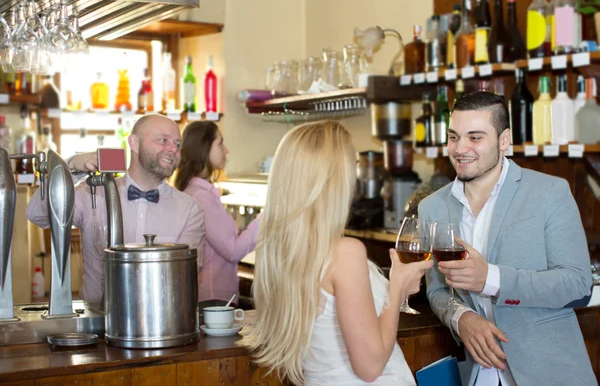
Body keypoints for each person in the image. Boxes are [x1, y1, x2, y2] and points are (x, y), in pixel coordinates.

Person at [419, 92, 596, 386]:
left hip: (550, 374)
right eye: (453, 136)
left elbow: (578, 285)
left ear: (504, 140)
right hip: (478, 375)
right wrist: (461, 319)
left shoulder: (550, 192)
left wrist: (490, 278)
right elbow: (437, 290)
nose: (460, 148)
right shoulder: (432, 207)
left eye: (475, 137)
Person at [239, 120, 432, 385]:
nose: (355, 177)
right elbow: (370, 366)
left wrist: (396, 294)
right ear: (331, 178)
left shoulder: (283, 252)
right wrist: (397, 286)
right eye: (351, 165)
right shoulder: (345, 254)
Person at [27, 114, 205, 302]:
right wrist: (71, 169)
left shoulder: (190, 210)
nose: (173, 150)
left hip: (160, 322)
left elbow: (184, 277)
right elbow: (38, 215)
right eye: (163, 140)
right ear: (134, 143)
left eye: (177, 145)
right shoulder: (93, 193)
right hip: (95, 321)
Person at [174, 121, 259, 308]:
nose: (226, 150)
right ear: (204, 148)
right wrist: (265, 217)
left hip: (211, 294)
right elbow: (233, 251)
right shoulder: (201, 197)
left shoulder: (198, 192)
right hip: (212, 296)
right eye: (220, 143)